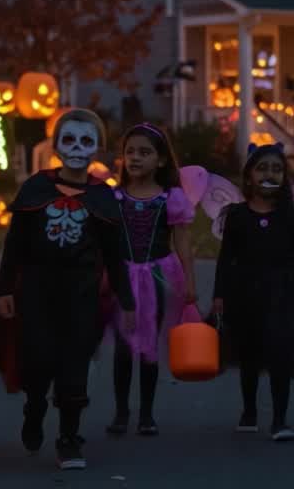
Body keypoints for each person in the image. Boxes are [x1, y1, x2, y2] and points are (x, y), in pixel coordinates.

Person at [0, 108, 135, 471]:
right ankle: (35, 407)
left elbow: (114, 253)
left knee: (74, 364)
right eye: (69, 140)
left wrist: (127, 300)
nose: (77, 148)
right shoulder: (36, 188)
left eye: (86, 141)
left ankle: (69, 438)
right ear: (57, 144)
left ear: (98, 148)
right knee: (38, 361)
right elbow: (15, 245)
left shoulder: (103, 197)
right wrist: (4, 291)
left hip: (81, 295)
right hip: (37, 291)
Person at [211, 142, 294, 442]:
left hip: (282, 293)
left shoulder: (292, 217)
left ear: (284, 177)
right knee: (249, 354)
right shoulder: (238, 216)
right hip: (244, 293)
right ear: (249, 176)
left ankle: (280, 419)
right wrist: (219, 296)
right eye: (263, 168)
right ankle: (249, 411)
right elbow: (226, 258)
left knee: (280, 354)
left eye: (277, 169)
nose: (270, 174)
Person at [103, 123, 195, 437]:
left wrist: (190, 283)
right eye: (130, 152)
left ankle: (146, 412)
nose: (136, 158)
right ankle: (121, 411)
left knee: (149, 345)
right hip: (122, 276)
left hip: (158, 275)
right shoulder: (114, 197)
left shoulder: (171, 198)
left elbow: (183, 241)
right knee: (123, 347)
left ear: (161, 160)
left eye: (144, 152)